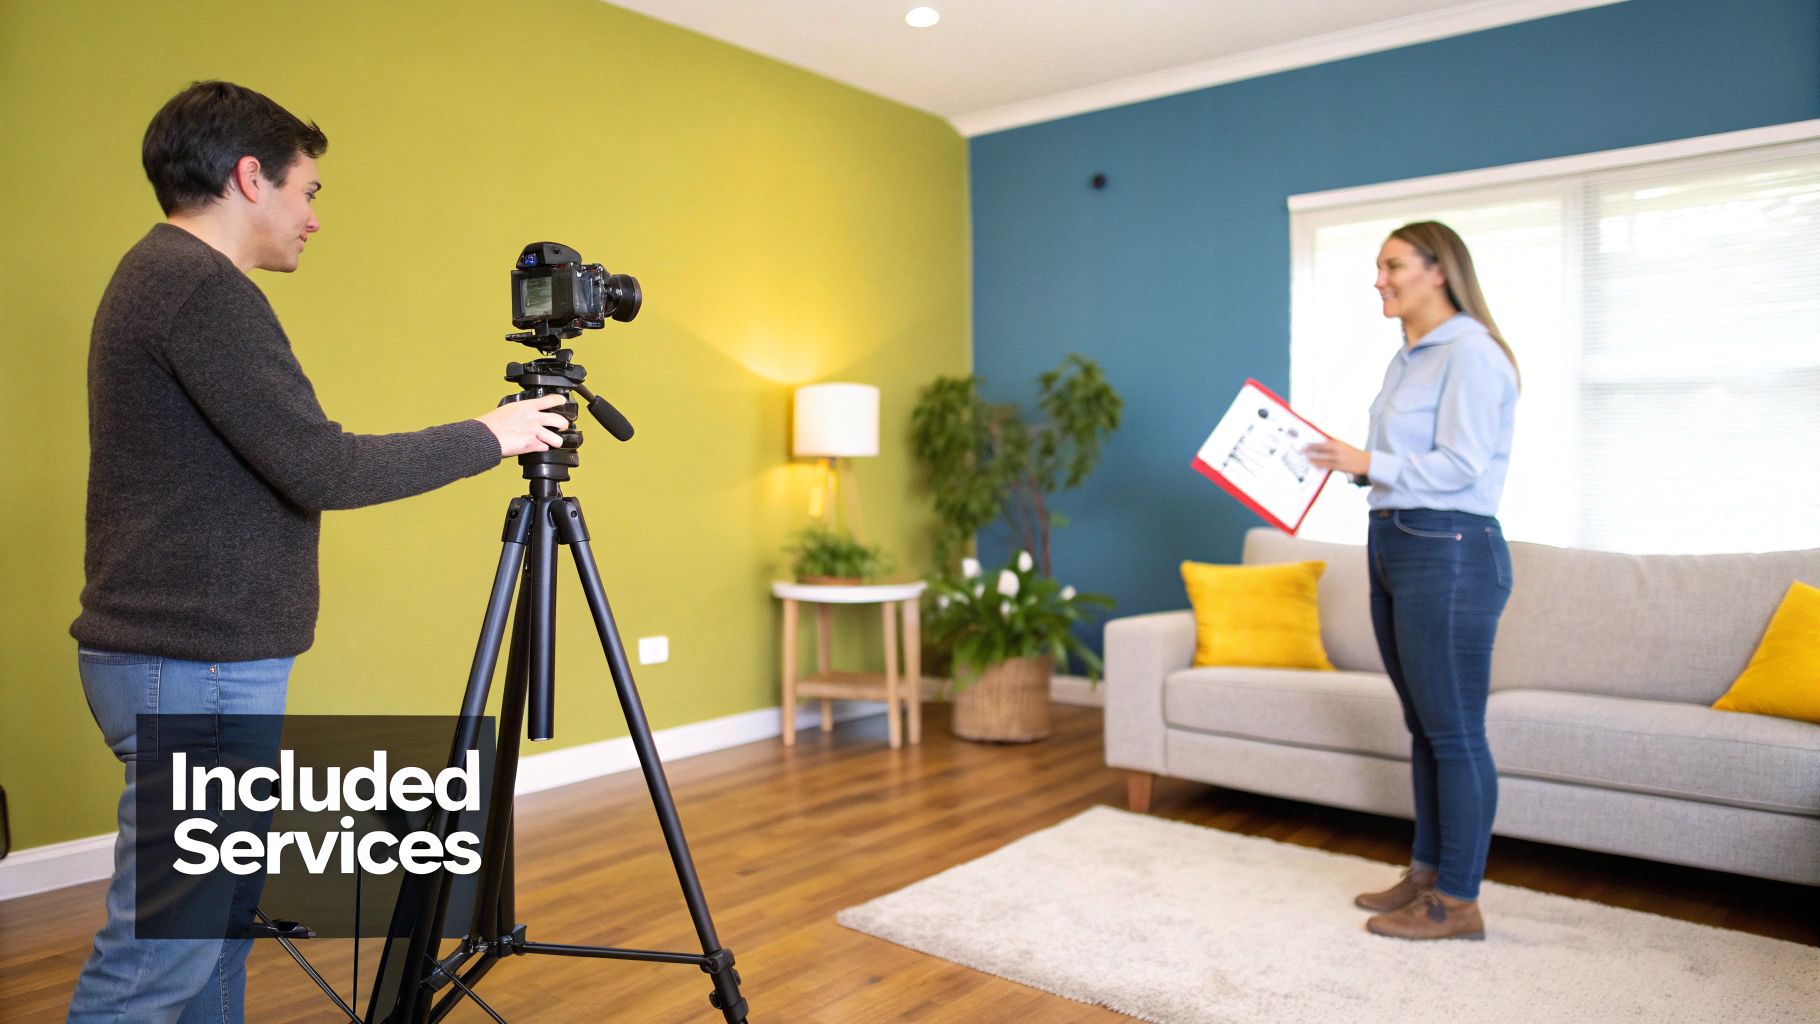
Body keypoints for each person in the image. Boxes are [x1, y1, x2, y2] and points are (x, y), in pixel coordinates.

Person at [67, 80, 571, 1022]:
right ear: (250, 178)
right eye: (309, 192)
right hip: (196, 666)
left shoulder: (161, 277)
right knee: (156, 962)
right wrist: (491, 434)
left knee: (211, 935)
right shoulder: (199, 289)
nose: (313, 218)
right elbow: (321, 467)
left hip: (183, 660)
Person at [1304, 220, 1518, 942]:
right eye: (1378, 267)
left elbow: (1461, 466)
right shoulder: (1409, 358)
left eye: (1392, 265)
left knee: (1455, 734)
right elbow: (1401, 463)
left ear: (1438, 270)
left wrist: (1367, 460)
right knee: (1425, 727)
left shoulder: (1473, 354)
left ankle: (1458, 902)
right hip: (1397, 538)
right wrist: (1355, 465)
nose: (1380, 279)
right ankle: (1426, 874)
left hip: (1450, 548)